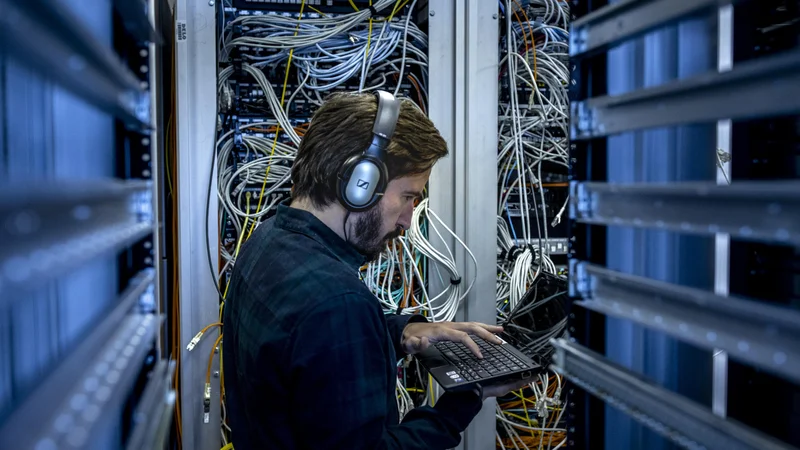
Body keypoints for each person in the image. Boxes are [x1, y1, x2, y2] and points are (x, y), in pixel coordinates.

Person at [223, 91, 530, 450]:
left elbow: (305, 350)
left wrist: (403, 331)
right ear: (359, 184)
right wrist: (463, 400)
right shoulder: (339, 302)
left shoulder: (269, 237)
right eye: (408, 196)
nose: (408, 219)